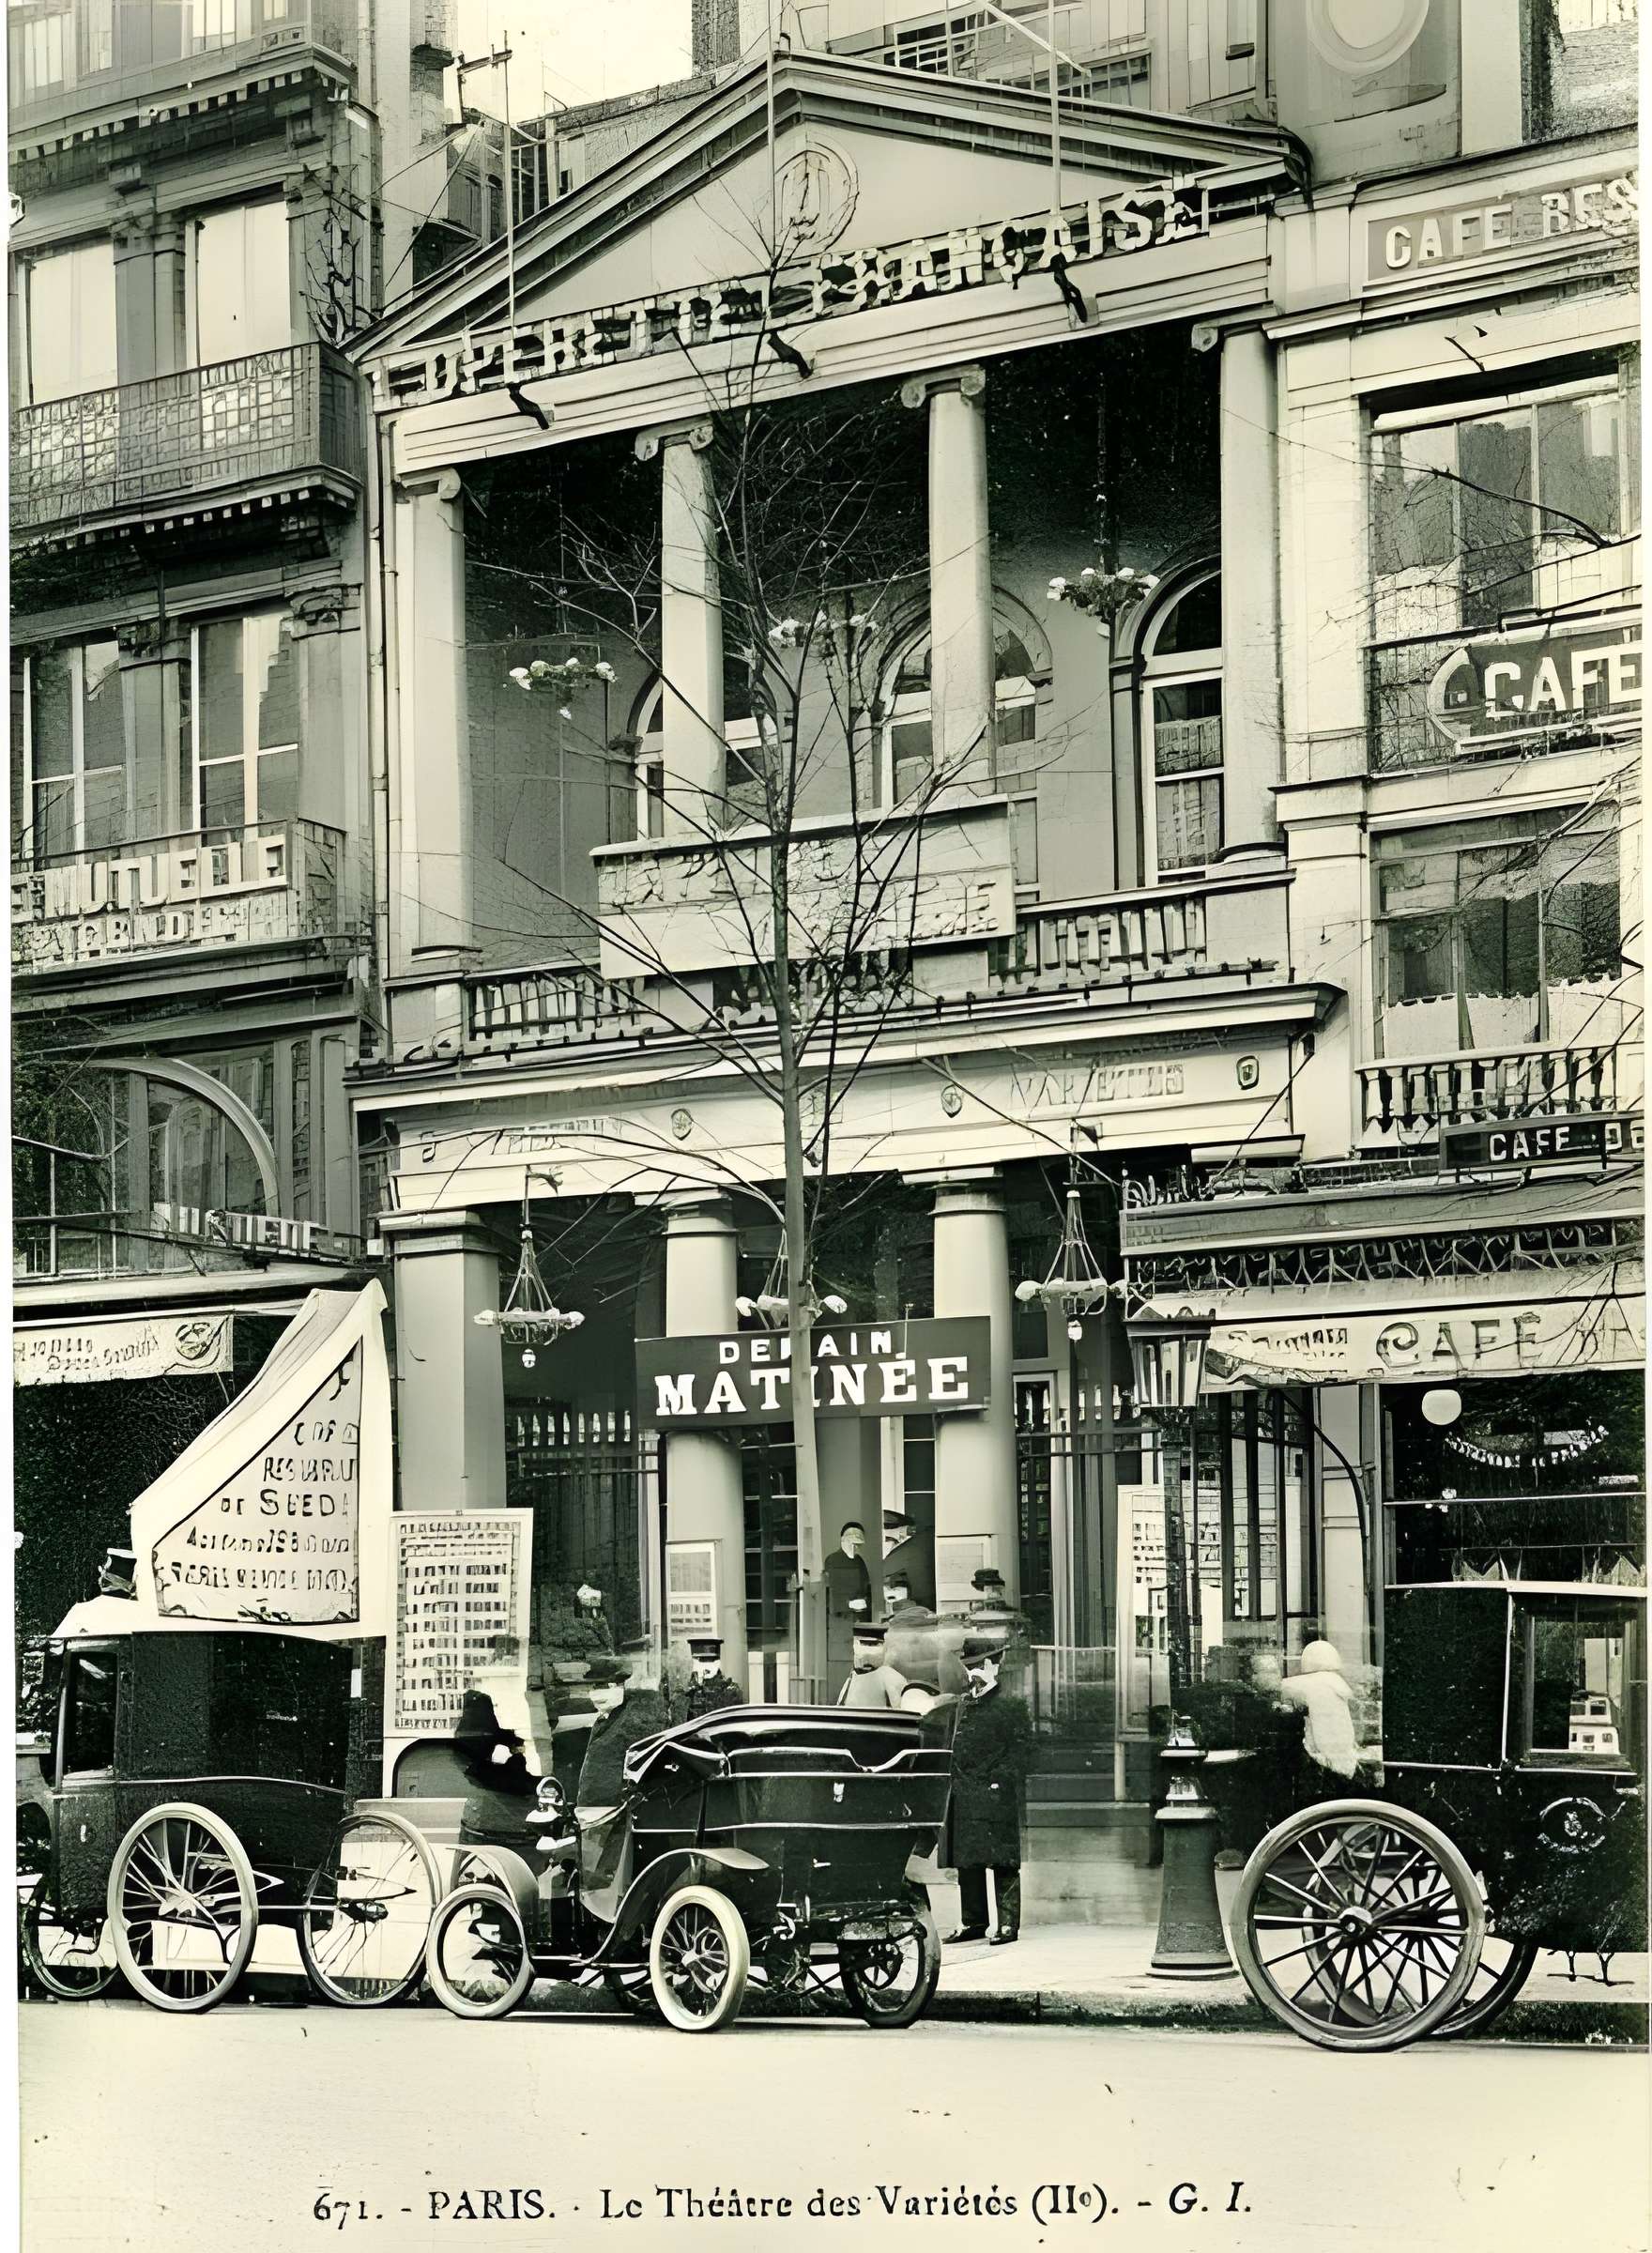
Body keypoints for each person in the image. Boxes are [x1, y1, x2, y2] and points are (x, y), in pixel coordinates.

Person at [944, 1639, 1034, 1948]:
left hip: (995, 1791)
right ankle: (973, 1921)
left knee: (1002, 1860)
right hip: (966, 1789)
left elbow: (1024, 1750)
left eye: (979, 1665)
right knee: (967, 1860)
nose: (972, 1672)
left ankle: (1008, 1923)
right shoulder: (964, 1703)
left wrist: (1000, 1779)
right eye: (969, 1666)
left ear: (994, 1666)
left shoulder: (1009, 1703)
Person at [822, 1521, 873, 1689]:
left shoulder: (860, 1563)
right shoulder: (832, 1561)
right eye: (853, 1544)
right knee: (841, 1666)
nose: (856, 1548)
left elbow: (867, 1588)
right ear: (844, 1541)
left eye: (859, 1545)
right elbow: (830, 1593)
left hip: (858, 1622)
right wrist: (849, 1603)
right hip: (839, 1624)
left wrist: (864, 1602)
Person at [838, 1620, 908, 1709]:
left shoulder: (890, 1677)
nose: (866, 1652)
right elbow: (841, 1706)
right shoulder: (852, 1676)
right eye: (862, 1644)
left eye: (872, 1645)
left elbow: (902, 1714)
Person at [684, 1634, 743, 1719]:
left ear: (717, 1663)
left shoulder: (729, 1689)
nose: (706, 1668)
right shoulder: (688, 1691)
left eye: (710, 1662)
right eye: (701, 1662)